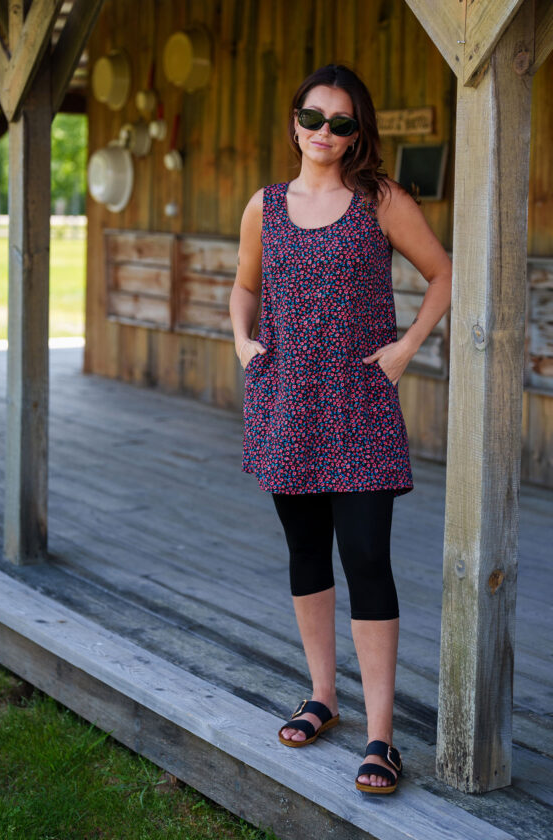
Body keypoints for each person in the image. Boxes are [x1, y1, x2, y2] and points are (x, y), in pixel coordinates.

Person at [229, 64, 452, 795]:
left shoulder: (380, 200)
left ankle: (382, 736)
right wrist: (242, 341)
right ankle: (323, 695)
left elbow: (444, 274)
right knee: (305, 553)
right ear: (295, 121)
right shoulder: (265, 205)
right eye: (314, 117)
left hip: (359, 405)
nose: (326, 132)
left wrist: (406, 346)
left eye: (343, 122)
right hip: (286, 404)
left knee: (364, 556)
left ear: (359, 132)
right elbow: (244, 283)